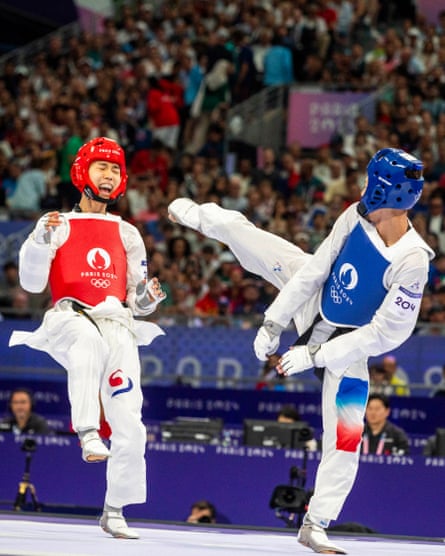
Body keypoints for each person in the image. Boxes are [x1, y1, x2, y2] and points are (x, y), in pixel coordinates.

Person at [168, 148, 433, 554]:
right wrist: (274, 321)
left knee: (347, 437)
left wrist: (315, 355)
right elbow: (315, 270)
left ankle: (316, 522)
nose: (363, 188)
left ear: (387, 192)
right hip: (315, 298)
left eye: (370, 182)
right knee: (251, 239)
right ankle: (189, 213)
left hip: (348, 348)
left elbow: (385, 335)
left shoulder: (413, 260)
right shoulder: (356, 214)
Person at [9, 137, 167, 540]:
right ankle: (87, 431)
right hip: (70, 317)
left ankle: (114, 509)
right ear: (82, 173)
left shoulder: (128, 232)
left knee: (131, 421)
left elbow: (135, 300)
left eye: (116, 169)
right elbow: (30, 282)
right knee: (86, 341)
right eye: (102, 167)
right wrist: (40, 240)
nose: (110, 175)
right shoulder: (57, 223)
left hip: (117, 323)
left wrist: (147, 298)